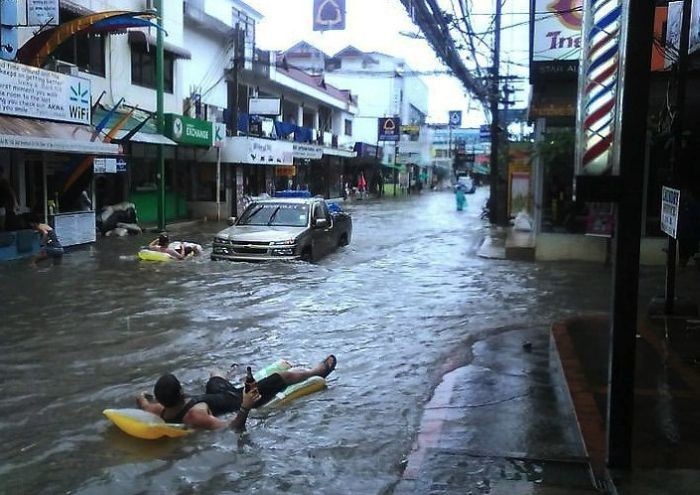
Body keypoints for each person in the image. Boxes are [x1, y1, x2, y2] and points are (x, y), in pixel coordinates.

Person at [136, 355, 337, 431]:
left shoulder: (158, 409)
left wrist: (144, 396)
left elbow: (141, 401)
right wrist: (246, 405)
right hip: (236, 399)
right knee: (282, 377)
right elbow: (231, 428)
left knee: (215, 373)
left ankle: (232, 373)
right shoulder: (194, 415)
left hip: (217, 394)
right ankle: (317, 371)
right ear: (180, 391)